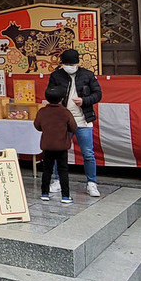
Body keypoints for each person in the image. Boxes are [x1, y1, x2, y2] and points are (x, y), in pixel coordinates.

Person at [45, 49, 103, 198]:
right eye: (67, 64)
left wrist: (84, 101)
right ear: (62, 63)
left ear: (78, 63)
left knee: (88, 153)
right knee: (59, 151)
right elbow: (49, 92)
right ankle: (57, 180)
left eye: (72, 64)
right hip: (63, 119)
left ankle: (92, 183)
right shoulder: (56, 75)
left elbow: (98, 94)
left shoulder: (87, 75)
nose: (69, 66)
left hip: (83, 119)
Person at [34, 84, 79, 203]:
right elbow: (73, 127)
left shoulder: (42, 111)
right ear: (62, 99)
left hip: (47, 145)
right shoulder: (65, 112)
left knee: (47, 169)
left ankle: (44, 193)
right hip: (61, 146)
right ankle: (65, 196)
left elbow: (37, 126)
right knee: (63, 170)